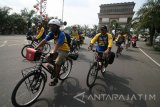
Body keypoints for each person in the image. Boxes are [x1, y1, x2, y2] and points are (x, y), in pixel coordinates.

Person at [36, 19, 70, 86]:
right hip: (57, 49)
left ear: (57, 27)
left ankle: (56, 79)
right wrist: (36, 48)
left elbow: (57, 44)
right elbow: (44, 40)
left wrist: (52, 52)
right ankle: (56, 69)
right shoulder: (51, 33)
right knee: (47, 59)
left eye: (53, 26)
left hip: (64, 50)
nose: (51, 28)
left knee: (57, 63)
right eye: (50, 26)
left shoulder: (61, 34)